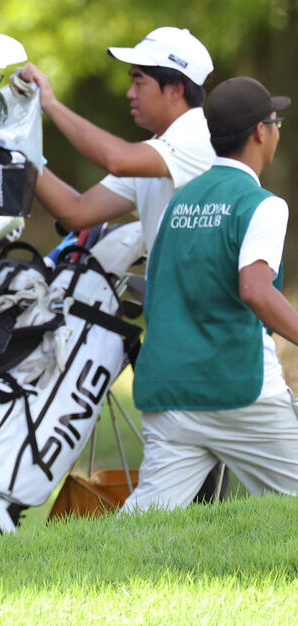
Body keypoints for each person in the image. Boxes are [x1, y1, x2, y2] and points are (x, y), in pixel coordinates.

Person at [126, 77, 298, 512]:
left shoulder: (177, 204)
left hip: (170, 391)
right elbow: (255, 289)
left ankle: (81, 579)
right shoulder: (262, 204)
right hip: (238, 388)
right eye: (276, 123)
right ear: (262, 131)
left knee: (143, 523)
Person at [17, 27, 214, 254]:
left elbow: (118, 160)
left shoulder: (199, 136)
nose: (130, 93)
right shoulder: (159, 149)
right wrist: (17, 151)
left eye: (139, 83)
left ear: (175, 90)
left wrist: (51, 105)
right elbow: (76, 212)